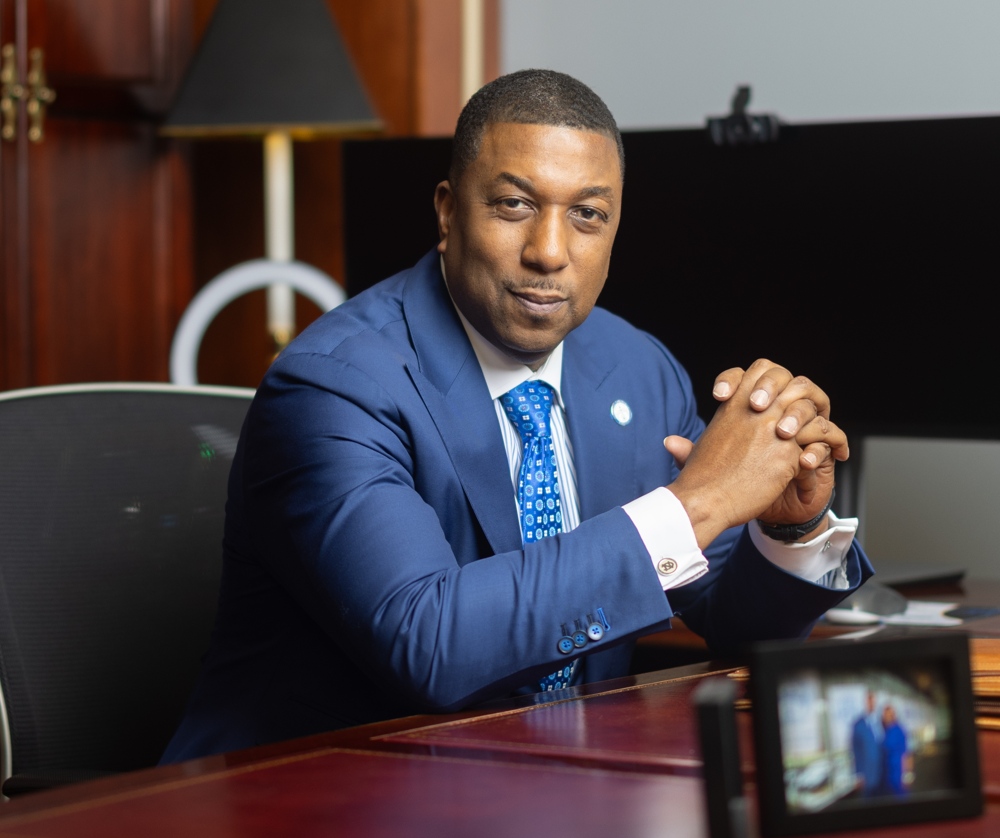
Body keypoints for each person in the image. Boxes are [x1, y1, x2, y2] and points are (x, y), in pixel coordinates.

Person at [162, 69, 872, 763]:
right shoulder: (334, 385)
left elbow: (728, 618)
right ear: (446, 211)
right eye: (513, 205)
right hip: (312, 804)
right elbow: (428, 646)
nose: (550, 252)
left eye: (587, 215)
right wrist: (699, 503)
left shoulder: (635, 366)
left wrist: (788, 528)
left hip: (545, 792)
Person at [851, 690, 883, 796]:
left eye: (873, 701)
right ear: (865, 702)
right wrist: (858, 774)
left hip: (881, 774)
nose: (871, 704)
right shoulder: (858, 724)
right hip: (867, 776)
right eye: (869, 701)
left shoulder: (879, 722)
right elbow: (855, 750)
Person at [879, 704, 911, 796]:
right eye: (885, 715)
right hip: (887, 775)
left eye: (889, 714)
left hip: (898, 774)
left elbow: (907, 754)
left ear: (893, 715)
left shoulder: (900, 730)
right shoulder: (886, 731)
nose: (887, 717)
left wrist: (907, 775)